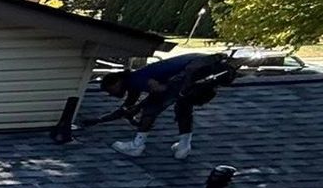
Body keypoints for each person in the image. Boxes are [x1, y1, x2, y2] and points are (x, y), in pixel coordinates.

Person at [91, 52, 241, 159]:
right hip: (201, 67)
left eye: (110, 91)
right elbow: (126, 108)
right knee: (183, 106)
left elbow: (160, 90)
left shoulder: (136, 79)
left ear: (116, 82)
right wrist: (99, 120)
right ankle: (183, 147)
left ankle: (137, 146)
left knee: (152, 107)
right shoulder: (133, 84)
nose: (111, 94)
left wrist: (142, 106)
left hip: (188, 72)